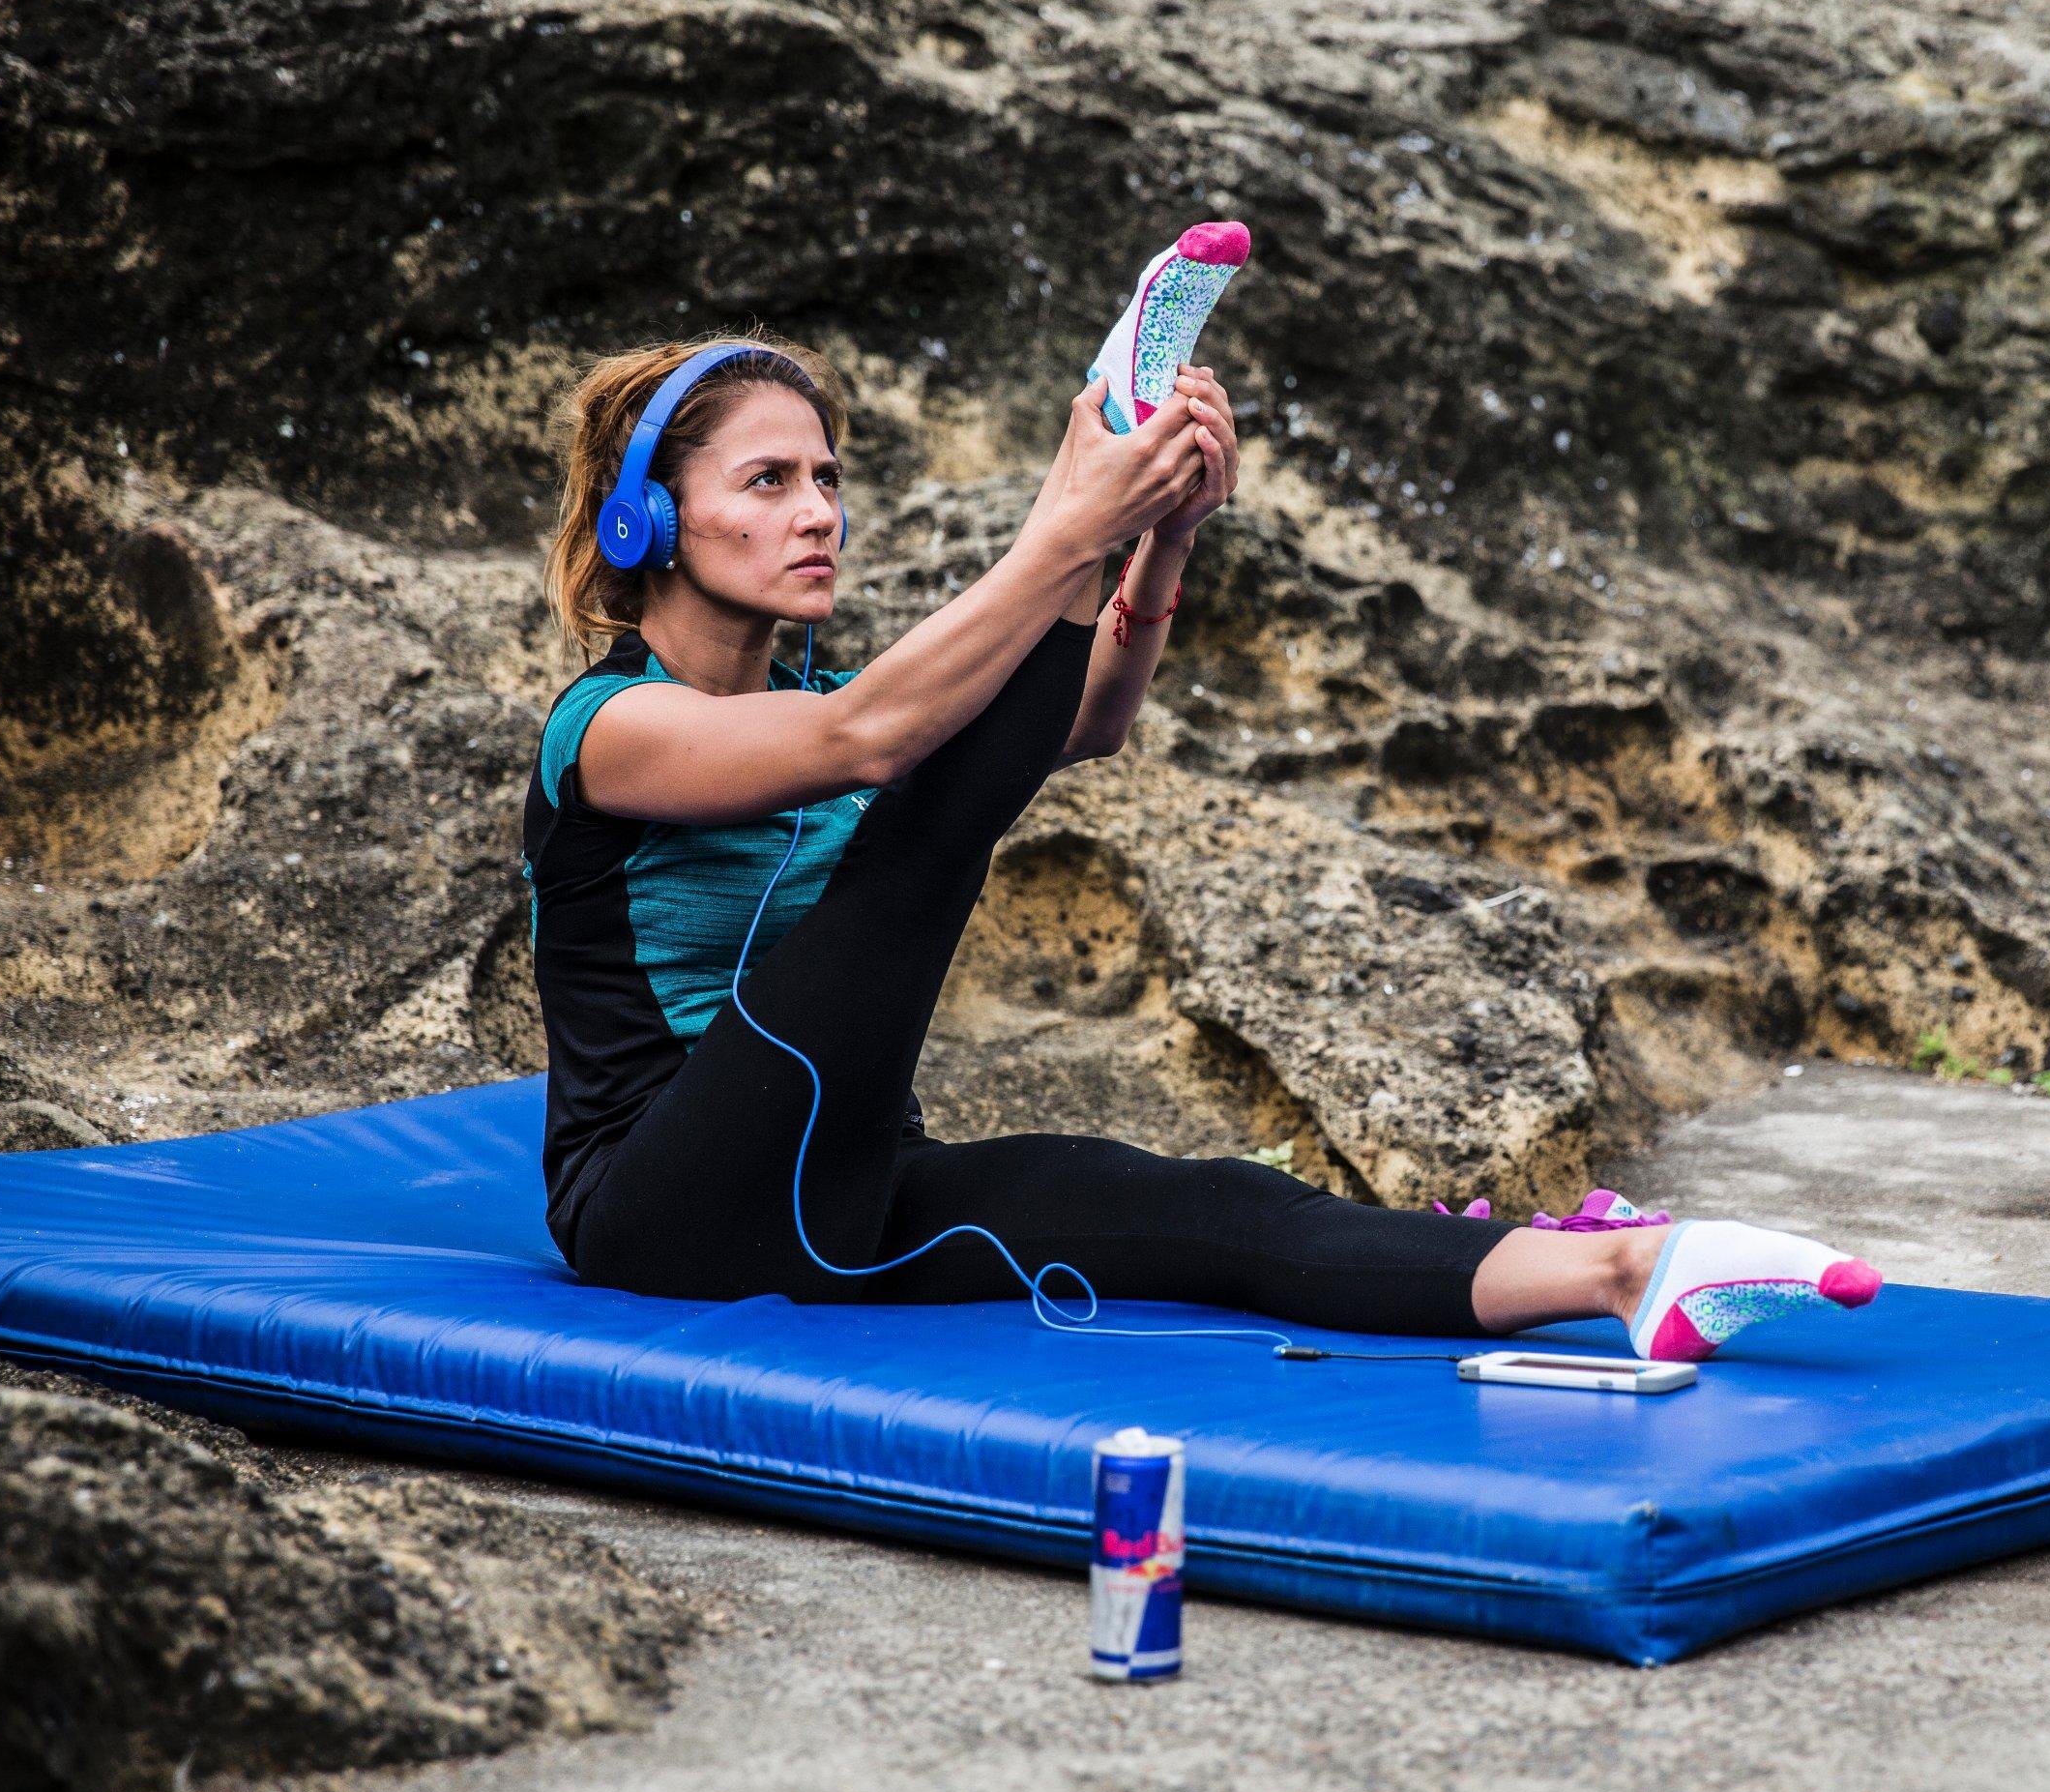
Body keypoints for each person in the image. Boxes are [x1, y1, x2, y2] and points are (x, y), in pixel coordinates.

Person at [521, 334, 1881, 1359]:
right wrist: (1071, 526)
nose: (819, 510)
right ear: (650, 520)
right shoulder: (607, 729)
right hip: (662, 1211)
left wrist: (1156, 543)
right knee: (921, 821)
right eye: (768, 481)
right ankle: (1084, 492)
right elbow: (873, 743)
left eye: (826, 477)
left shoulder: (830, 703)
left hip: (844, 1187)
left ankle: (1629, 1275)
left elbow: (1084, 722)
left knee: (1209, 1207)